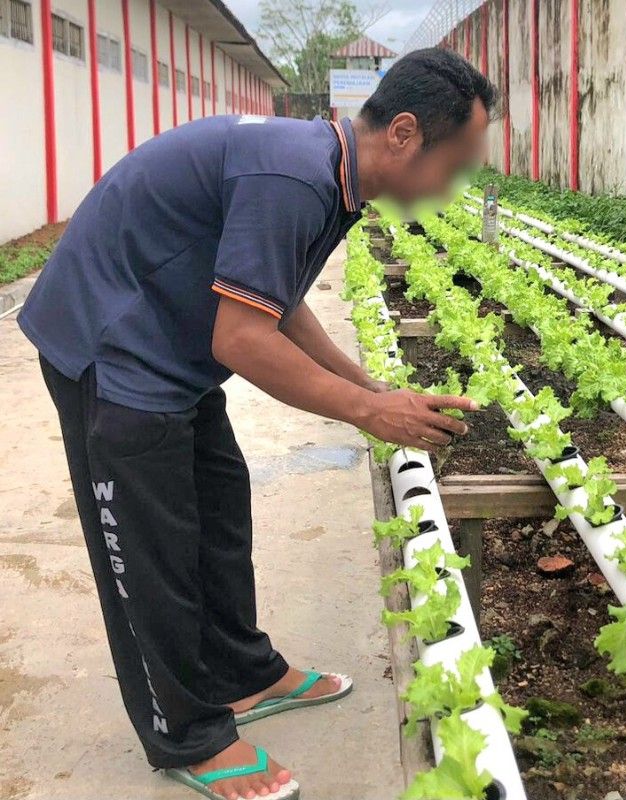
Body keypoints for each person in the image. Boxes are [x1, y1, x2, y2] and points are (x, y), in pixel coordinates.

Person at [18, 48, 496, 800]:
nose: (454, 185)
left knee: (217, 511)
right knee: (154, 553)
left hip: (170, 344)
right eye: (457, 163)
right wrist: (371, 412)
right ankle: (189, 735)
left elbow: (275, 300)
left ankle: (243, 673)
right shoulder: (295, 177)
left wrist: (369, 385)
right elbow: (241, 340)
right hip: (112, 347)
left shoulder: (333, 175)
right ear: (404, 134)